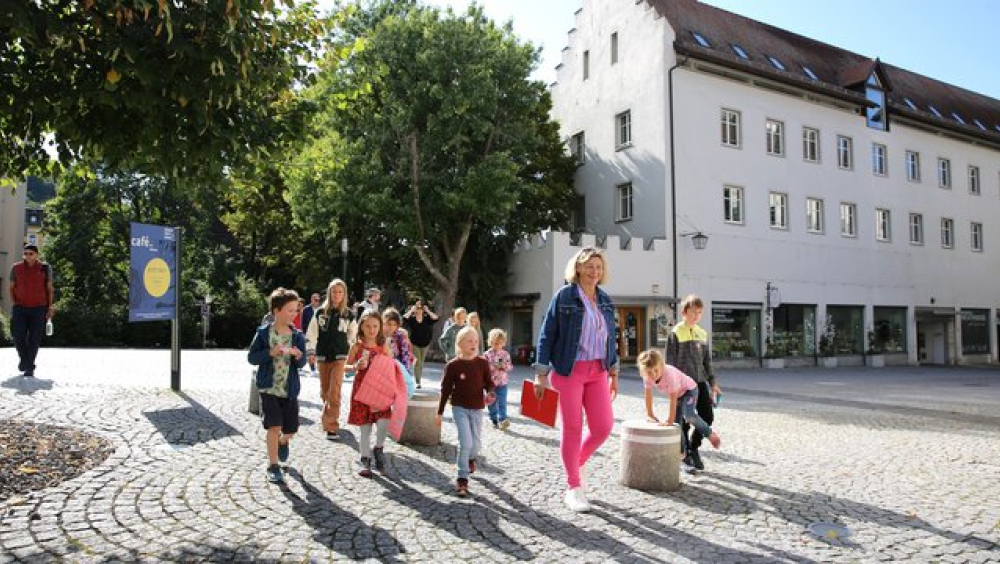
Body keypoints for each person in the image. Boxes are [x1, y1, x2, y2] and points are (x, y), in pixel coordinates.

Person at [533, 246, 619, 513]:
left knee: (603, 427)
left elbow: (611, 338)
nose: (595, 271)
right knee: (573, 427)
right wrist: (540, 373)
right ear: (578, 268)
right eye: (590, 266)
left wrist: (614, 371)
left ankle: (575, 463)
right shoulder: (564, 297)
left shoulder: (605, 300)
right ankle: (573, 487)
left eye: (599, 267)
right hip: (569, 371)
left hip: (598, 371)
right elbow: (547, 334)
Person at [247, 287, 308, 484]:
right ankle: (273, 465)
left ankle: (283, 441)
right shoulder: (264, 333)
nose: (294, 313)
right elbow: (252, 358)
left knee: (291, 429)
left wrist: (299, 357)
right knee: (274, 426)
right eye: (290, 310)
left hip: (289, 390)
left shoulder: (297, 336)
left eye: (296, 310)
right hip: (268, 388)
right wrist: (269, 353)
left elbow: (302, 363)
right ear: (276, 311)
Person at [436, 326, 495, 497]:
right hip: (459, 408)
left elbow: (489, 383)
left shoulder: (482, 363)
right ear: (460, 344)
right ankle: (462, 478)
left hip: (477, 408)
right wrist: (439, 412)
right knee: (465, 442)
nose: (474, 344)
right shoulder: (453, 365)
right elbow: (445, 390)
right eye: (469, 341)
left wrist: (490, 392)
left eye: (476, 341)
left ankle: (471, 459)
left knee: (475, 445)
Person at [637, 349, 721, 467]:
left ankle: (710, 434)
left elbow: (673, 399)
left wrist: (669, 420)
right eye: (649, 372)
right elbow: (648, 395)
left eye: (656, 370)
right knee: (677, 425)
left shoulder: (669, 374)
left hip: (689, 390)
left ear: (661, 365)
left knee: (689, 415)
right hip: (677, 395)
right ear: (643, 371)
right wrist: (650, 414)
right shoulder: (647, 377)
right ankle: (682, 453)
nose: (653, 375)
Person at [665, 294, 720, 472]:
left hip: (700, 382)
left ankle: (694, 447)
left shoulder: (702, 333)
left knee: (707, 416)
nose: (696, 315)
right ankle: (685, 453)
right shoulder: (675, 333)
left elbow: (707, 362)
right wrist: (672, 387)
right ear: (684, 312)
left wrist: (713, 383)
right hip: (681, 385)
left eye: (699, 312)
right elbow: (669, 363)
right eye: (693, 312)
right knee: (683, 420)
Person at [306, 279, 357, 441]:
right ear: (329, 293)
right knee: (325, 391)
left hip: (340, 356)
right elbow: (312, 332)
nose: (337, 295)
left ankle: (331, 426)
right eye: (334, 291)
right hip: (322, 355)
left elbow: (353, 334)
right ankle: (328, 416)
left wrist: (349, 348)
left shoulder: (348, 314)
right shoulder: (320, 312)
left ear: (344, 294)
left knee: (334, 392)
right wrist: (311, 351)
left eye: (340, 292)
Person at [346, 310, 393, 478]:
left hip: (380, 392)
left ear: (380, 327)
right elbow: (345, 367)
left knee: (383, 423)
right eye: (368, 326)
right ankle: (365, 459)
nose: (371, 330)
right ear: (361, 326)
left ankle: (379, 448)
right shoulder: (357, 346)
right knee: (365, 428)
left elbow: (392, 367)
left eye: (375, 326)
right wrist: (355, 367)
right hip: (362, 392)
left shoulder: (383, 347)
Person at [8, 244, 55, 378]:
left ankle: (29, 367)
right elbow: (11, 287)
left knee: (35, 338)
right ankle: (24, 359)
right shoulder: (16, 268)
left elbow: (50, 289)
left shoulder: (45, 268)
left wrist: (50, 307)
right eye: (26, 253)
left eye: (31, 254)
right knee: (18, 335)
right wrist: (15, 304)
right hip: (20, 307)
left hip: (39, 308)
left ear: (37, 255)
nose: (28, 256)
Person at [402, 298, 438, 388]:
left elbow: (436, 318)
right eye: (417, 308)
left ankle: (416, 378)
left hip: (425, 344)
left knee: (421, 362)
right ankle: (418, 381)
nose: (419, 310)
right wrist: (411, 310)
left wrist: (428, 311)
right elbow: (404, 318)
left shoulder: (427, 319)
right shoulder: (412, 319)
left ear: (423, 309)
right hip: (415, 343)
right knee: (418, 362)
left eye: (420, 308)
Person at [484, 328, 513, 430]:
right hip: (491, 383)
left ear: (503, 343)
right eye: (495, 343)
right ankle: (493, 418)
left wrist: (505, 366)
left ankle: (502, 419)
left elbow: (510, 367)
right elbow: (484, 368)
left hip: (502, 382)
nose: (498, 346)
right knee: (491, 402)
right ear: (491, 342)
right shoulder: (487, 354)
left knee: (502, 401)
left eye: (500, 343)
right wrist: (493, 366)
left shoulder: (505, 354)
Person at [383, 307, 414, 371]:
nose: (391, 327)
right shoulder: (379, 335)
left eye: (394, 325)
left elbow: (405, 354)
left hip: (397, 366)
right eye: (389, 324)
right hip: (382, 366)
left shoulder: (400, 336)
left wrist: (405, 370)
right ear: (383, 322)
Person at [301, 293, 321, 370]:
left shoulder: (321, 309)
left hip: (319, 333)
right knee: (310, 351)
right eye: (315, 300)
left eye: (318, 300)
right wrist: (304, 333)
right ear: (311, 300)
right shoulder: (306, 309)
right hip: (309, 333)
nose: (317, 301)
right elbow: (303, 322)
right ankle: (312, 367)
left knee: (318, 350)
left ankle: (318, 366)